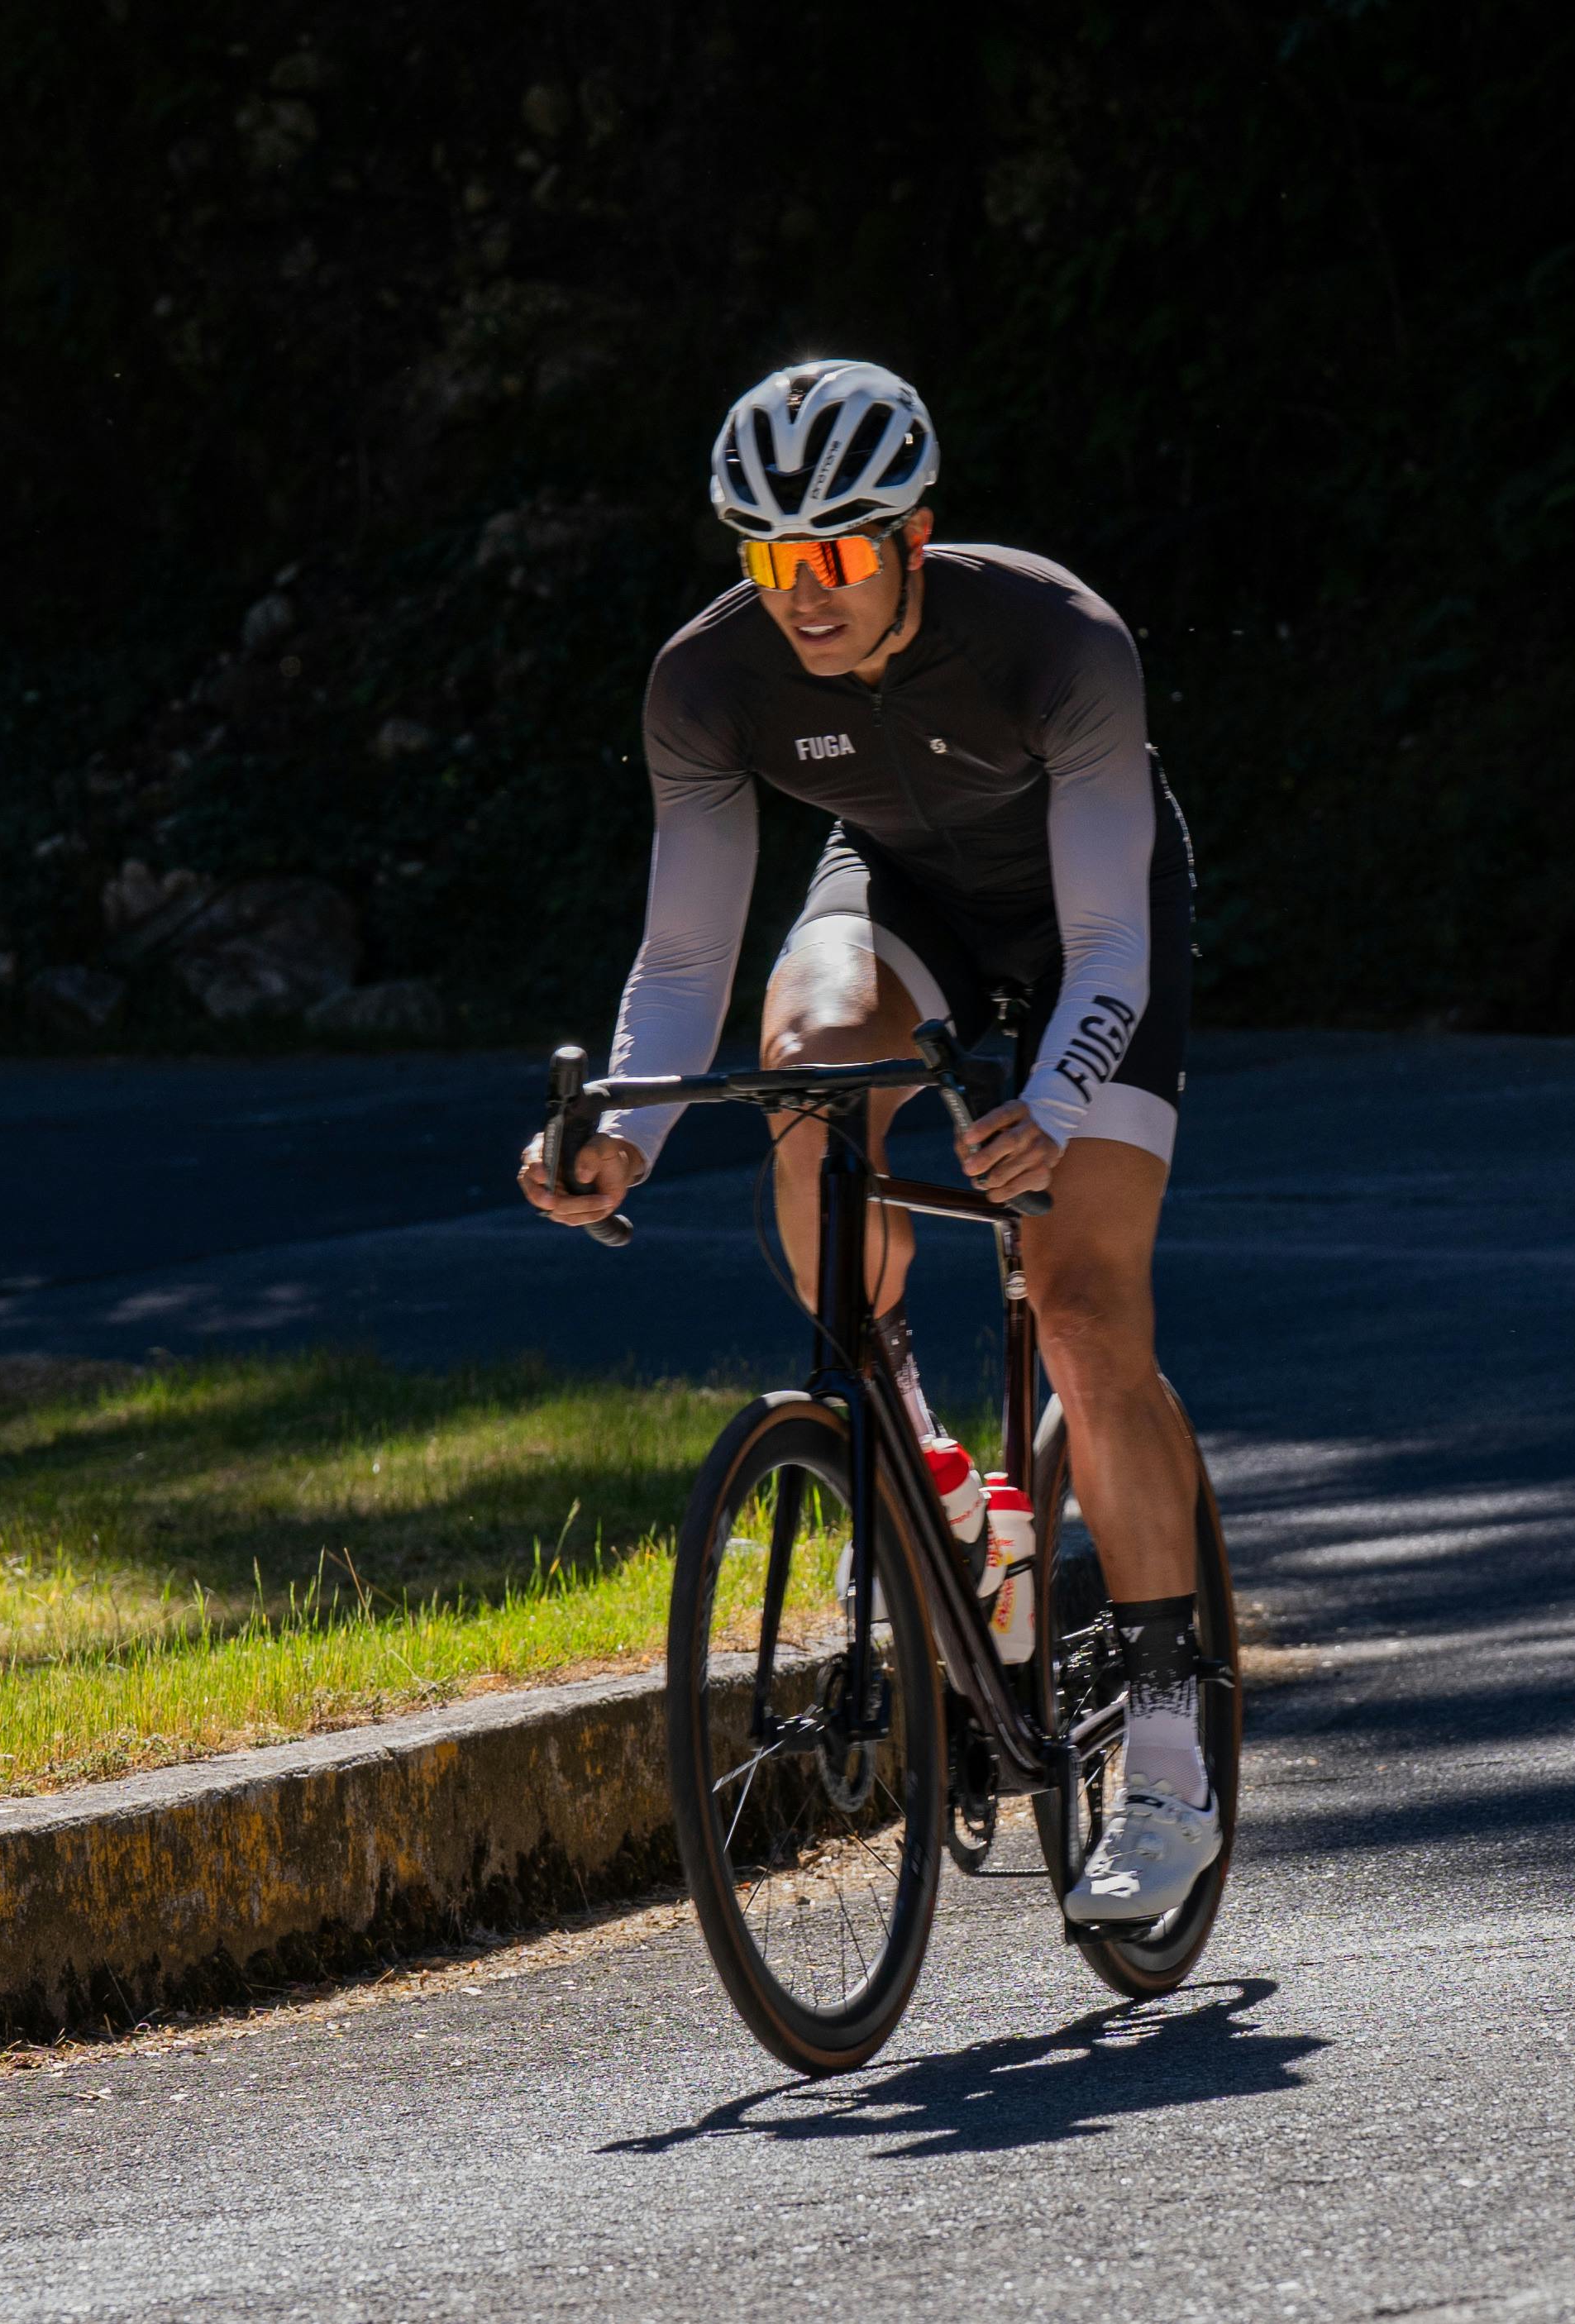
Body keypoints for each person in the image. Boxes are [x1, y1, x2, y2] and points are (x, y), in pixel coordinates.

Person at [518, 358, 1215, 1921]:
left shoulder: (1056, 639)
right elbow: (685, 960)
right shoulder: (705, 682)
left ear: (914, 532)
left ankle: (1169, 1753)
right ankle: (910, 1446)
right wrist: (618, 1129)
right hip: (901, 897)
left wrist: (1048, 1104)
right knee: (803, 1064)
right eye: (771, 560)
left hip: (1088, 924)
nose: (803, 594)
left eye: (835, 555)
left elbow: (1108, 943)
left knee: (1086, 1305)